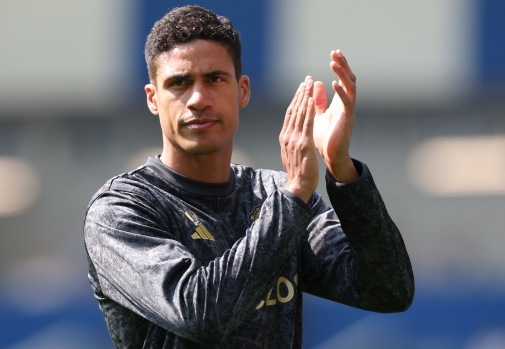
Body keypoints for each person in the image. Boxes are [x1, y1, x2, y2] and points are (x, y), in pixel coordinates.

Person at [84, 5, 414, 348]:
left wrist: (342, 169)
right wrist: (293, 197)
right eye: (179, 83)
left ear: (242, 90)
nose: (198, 99)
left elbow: (389, 291)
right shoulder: (121, 209)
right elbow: (200, 315)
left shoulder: (272, 194)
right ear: (153, 99)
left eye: (214, 79)